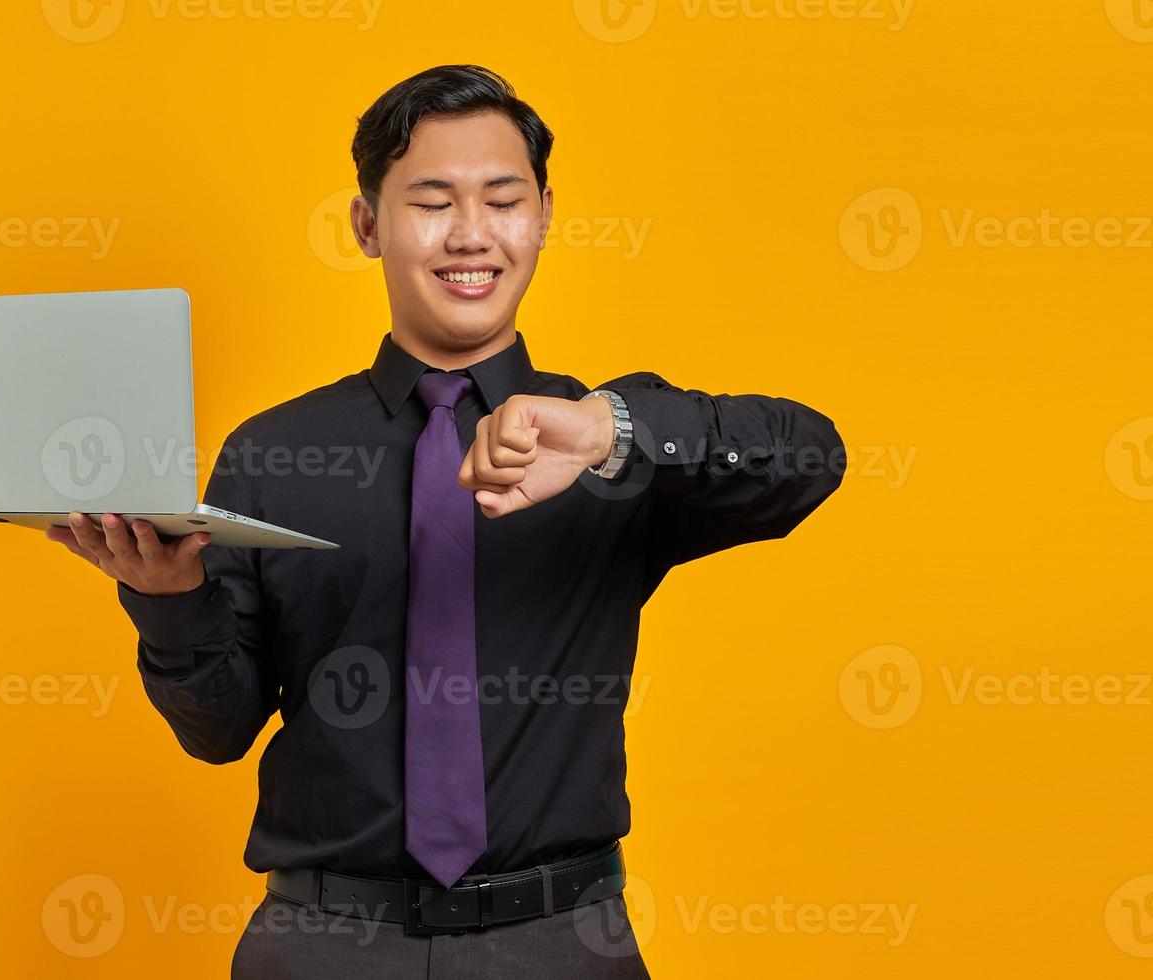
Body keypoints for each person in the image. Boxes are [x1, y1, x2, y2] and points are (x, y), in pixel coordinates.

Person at [47, 64, 844, 979]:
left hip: (561, 945)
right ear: (367, 224)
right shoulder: (272, 454)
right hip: (323, 948)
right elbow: (218, 731)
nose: (472, 234)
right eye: (432, 201)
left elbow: (810, 456)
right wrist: (168, 598)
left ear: (543, 214)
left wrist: (610, 426)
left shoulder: (604, 441)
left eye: (502, 200)